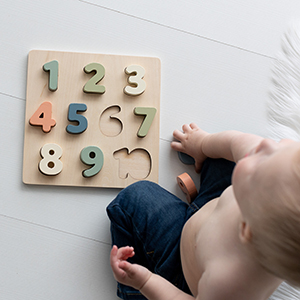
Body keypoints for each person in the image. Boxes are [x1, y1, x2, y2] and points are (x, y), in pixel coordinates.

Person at [107, 123, 300, 300]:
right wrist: (202, 144)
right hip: (216, 204)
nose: (266, 144)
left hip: (181, 260)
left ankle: (132, 289)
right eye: (285, 148)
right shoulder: (270, 176)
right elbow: (236, 141)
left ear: (247, 228)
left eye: (261, 166)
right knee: (225, 158)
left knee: (134, 197)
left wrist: (146, 282)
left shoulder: (229, 285)